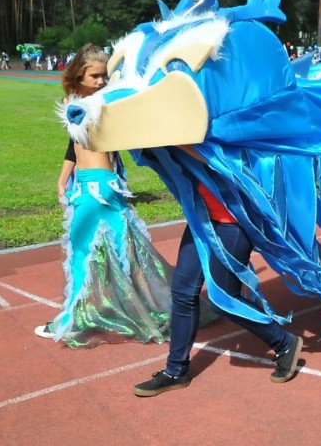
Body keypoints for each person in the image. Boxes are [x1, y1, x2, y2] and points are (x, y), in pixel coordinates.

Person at [133, 144, 304, 397]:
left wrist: (177, 142)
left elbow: (221, 160)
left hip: (233, 223)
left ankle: (284, 342)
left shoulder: (222, 130)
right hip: (201, 220)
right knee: (182, 293)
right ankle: (176, 371)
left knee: (223, 299)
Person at [36, 44, 174, 346]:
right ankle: (153, 310)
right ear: (78, 76)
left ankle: (70, 321)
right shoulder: (77, 103)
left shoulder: (102, 103)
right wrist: (63, 178)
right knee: (125, 250)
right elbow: (73, 145)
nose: (101, 81)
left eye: (104, 76)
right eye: (95, 76)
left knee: (82, 254)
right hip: (94, 185)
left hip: (97, 189)